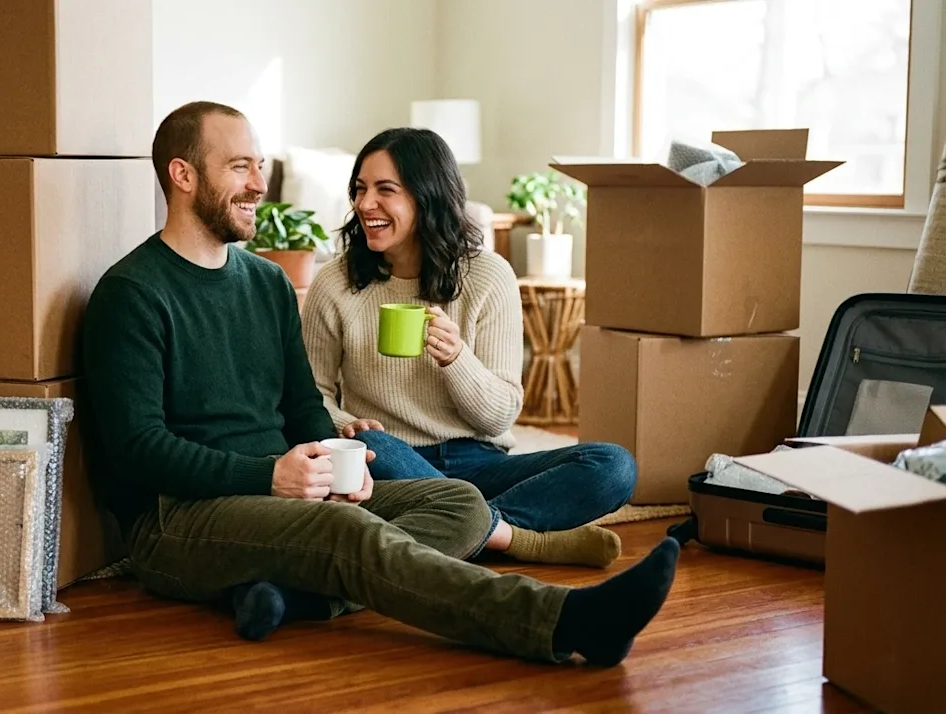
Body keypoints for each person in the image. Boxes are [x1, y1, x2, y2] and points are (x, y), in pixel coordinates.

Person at [80, 100, 679, 666]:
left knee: (458, 504)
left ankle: (294, 596)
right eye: (240, 167)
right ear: (182, 175)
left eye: (259, 166)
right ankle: (562, 621)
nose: (259, 185)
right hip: (175, 518)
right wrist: (269, 474)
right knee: (344, 531)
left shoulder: (265, 284)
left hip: (282, 491)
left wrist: (342, 466)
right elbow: (136, 452)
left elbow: (300, 403)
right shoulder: (133, 292)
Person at [301, 127, 636, 570]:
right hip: (393, 462)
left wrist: (458, 360)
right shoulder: (335, 282)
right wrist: (345, 423)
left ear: (428, 196)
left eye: (385, 190)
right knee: (370, 445)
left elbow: (499, 415)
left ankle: (462, 529)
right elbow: (310, 395)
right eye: (360, 190)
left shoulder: (488, 276)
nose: (365, 205)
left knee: (613, 466)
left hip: (479, 463)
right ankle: (515, 538)